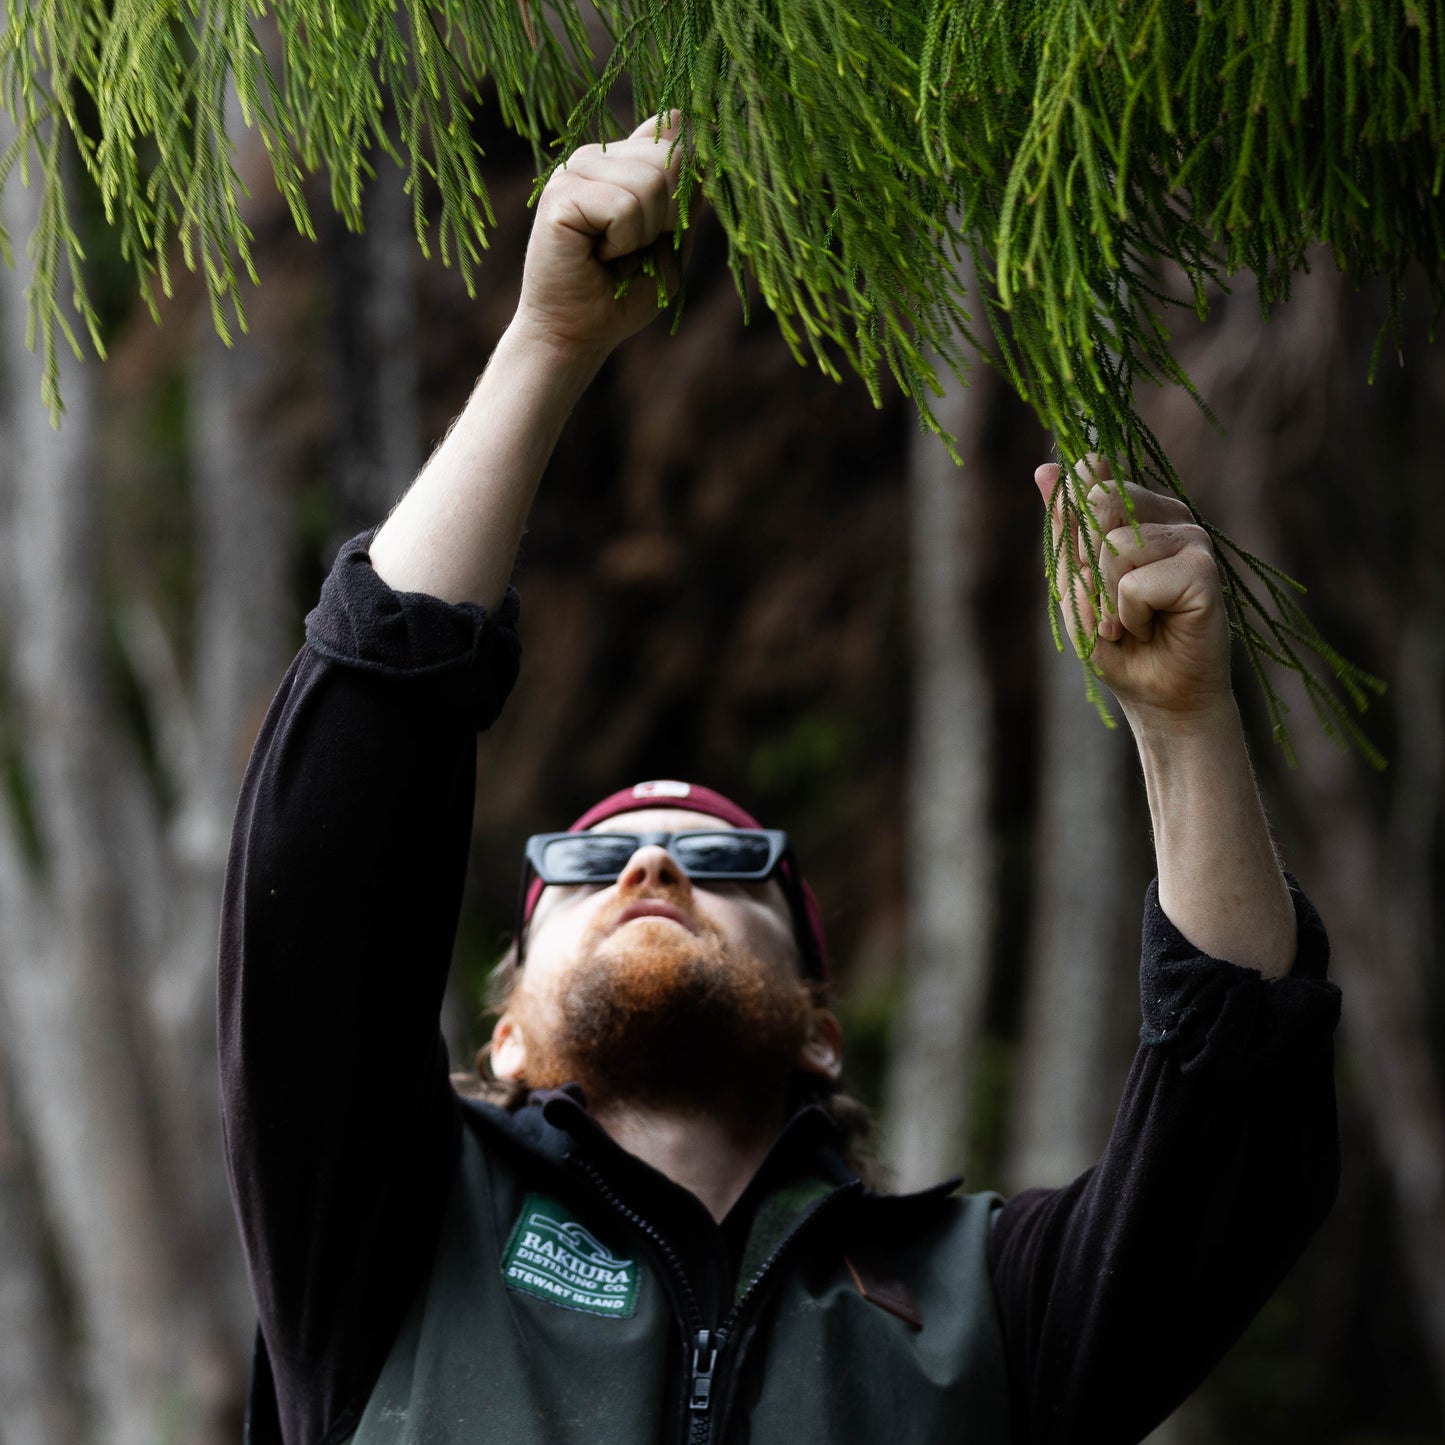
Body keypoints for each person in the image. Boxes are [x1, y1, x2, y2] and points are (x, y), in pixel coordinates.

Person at [218, 113, 1342, 1445]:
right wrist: (545, 347)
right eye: (582, 863)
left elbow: (1237, 1138)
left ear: (820, 1023)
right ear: (502, 1035)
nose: (648, 863)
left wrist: (1183, 723)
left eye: (723, 859)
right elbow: (330, 850)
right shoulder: (384, 1230)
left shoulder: (988, 1303)